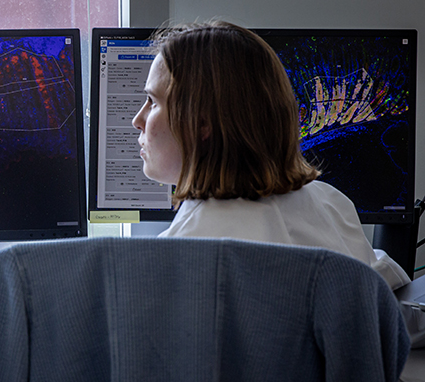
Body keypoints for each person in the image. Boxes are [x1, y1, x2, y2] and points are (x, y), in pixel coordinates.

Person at [132, 20, 410, 290]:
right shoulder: (330, 204)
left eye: (152, 102)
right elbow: (384, 295)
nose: (137, 120)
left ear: (202, 122)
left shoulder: (184, 248)